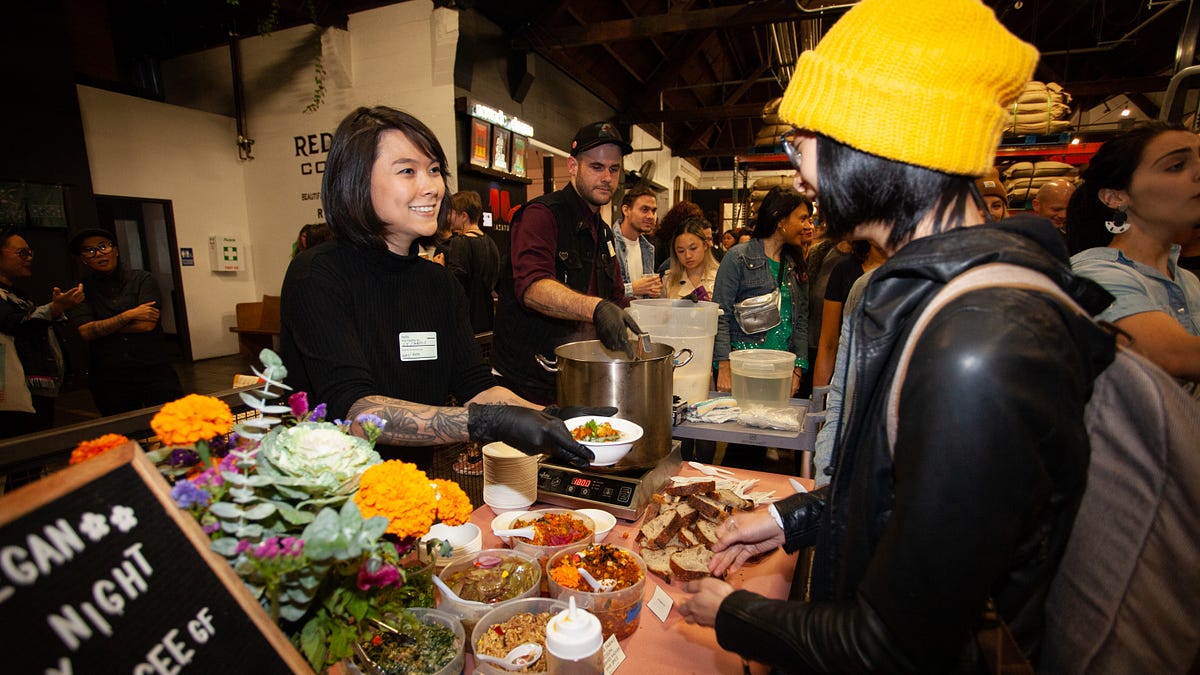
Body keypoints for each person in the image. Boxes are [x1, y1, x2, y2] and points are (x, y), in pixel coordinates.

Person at [677, 1, 1118, 671]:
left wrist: (735, 614)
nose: (797, 173)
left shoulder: (979, 343)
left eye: (803, 142)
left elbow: (896, 645)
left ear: (876, 138)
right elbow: (897, 503)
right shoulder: (938, 299)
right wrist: (788, 519)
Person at [281, 107, 608, 470]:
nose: (432, 187)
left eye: (434, 170)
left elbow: (476, 386)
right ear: (356, 180)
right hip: (335, 504)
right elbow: (358, 411)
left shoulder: (438, 283)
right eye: (408, 171)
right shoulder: (317, 275)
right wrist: (484, 423)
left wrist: (553, 415)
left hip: (414, 492)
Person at [490, 121, 643, 404]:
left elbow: (616, 298)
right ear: (573, 167)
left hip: (578, 377)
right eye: (596, 167)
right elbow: (533, 288)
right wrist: (596, 308)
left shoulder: (605, 232)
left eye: (614, 168)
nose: (607, 177)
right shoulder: (541, 216)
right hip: (525, 383)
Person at [1066, 122, 1200, 395]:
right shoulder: (1094, 275)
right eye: (1176, 166)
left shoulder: (1187, 279)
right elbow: (1177, 356)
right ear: (1116, 197)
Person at [712, 185, 811, 470]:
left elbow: (800, 319)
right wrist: (724, 366)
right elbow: (720, 312)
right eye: (802, 218)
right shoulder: (739, 257)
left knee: (778, 453)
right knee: (742, 451)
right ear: (781, 220)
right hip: (745, 373)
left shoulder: (795, 263)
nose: (807, 225)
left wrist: (797, 369)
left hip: (779, 375)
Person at [68, 228, 183, 416]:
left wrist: (102, 326)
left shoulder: (142, 279)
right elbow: (85, 332)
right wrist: (128, 315)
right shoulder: (80, 289)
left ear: (115, 250)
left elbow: (147, 324)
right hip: (109, 374)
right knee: (124, 433)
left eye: (103, 246)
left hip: (153, 368)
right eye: (89, 250)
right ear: (83, 259)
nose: (98, 254)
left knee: (173, 426)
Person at [0, 228, 82, 437]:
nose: (28, 258)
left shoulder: (17, 294)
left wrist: (56, 311)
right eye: (22, 253)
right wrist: (54, 309)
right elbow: (13, 324)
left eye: (30, 253)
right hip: (12, 392)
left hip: (36, 390)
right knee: (21, 452)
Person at [811, 240, 887, 387]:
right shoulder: (844, 270)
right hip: (847, 375)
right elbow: (829, 342)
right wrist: (818, 396)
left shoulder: (907, 273)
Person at [445, 190, 501, 334]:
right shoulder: (491, 242)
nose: (449, 217)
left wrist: (440, 269)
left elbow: (455, 285)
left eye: (451, 213)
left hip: (467, 320)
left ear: (463, 216)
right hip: (488, 318)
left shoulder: (460, 242)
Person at [613, 186, 662, 300]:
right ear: (626, 210)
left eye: (653, 211)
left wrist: (654, 290)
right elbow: (600, 292)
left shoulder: (648, 248)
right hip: (618, 315)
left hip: (640, 314)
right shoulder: (608, 243)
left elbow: (646, 290)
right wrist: (632, 289)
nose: (651, 216)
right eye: (644, 209)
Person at [664, 216, 720, 301]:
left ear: (705, 245)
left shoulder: (720, 276)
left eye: (693, 248)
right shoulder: (669, 280)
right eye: (681, 251)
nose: (688, 256)